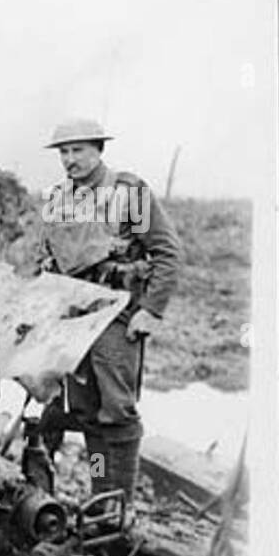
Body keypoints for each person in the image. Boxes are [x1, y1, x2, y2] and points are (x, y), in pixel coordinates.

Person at [34, 118, 182, 512]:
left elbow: (168, 253)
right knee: (86, 412)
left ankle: (120, 508)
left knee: (117, 411)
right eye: (63, 152)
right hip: (74, 318)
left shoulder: (129, 192)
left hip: (118, 314)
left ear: (99, 149)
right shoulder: (58, 199)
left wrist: (150, 311)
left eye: (78, 150)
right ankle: (101, 497)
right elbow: (47, 258)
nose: (69, 160)